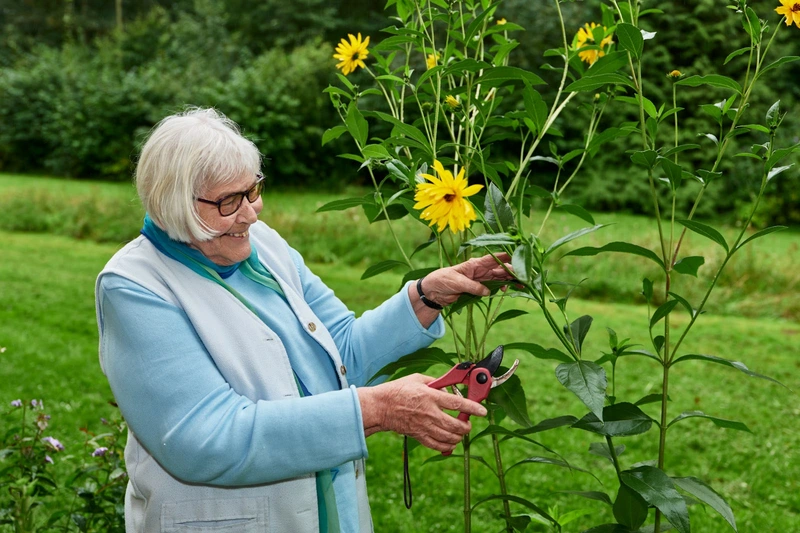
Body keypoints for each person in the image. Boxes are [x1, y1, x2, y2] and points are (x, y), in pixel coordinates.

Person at [95, 107, 513, 533]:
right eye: (228, 201)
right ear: (174, 205)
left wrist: (426, 295)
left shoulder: (265, 246)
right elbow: (207, 438)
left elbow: (342, 351)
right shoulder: (134, 286)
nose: (251, 214)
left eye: (253, 190)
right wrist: (377, 409)